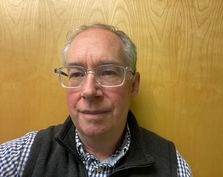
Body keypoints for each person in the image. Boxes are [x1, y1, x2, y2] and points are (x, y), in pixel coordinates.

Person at [0, 23, 192, 177]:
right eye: (76, 73)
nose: (89, 91)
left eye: (108, 72)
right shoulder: (24, 156)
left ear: (133, 85)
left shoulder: (172, 167)